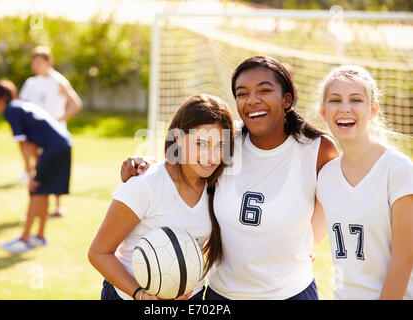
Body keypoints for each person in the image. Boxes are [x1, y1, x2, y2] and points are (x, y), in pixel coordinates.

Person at [121, 56, 339, 300]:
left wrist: (305, 243)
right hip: (223, 294)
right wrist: (145, 165)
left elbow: (334, 203)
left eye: (264, 90)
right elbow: (188, 157)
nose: (252, 100)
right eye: (242, 93)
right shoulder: (227, 140)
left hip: (291, 293)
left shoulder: (317, 149)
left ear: (287, 98)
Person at [88, 94, 235, 300]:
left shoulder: (219, 185)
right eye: (200, 143)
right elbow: (99, 253)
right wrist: (140, 294)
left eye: (219, 145)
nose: (210, 156)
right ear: (178, 138)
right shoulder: (145, 185)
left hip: (191, 296)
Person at [316, 65, 413, 300]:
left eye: (356, 100)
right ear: (323, 112)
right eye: (335, 100)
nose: (345, 108)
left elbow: (404, 260)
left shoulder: (398, 170)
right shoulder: (326, 175)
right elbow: (308, 236)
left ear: (373, 110)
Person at [0, 79, 72, 253]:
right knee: (43, 190)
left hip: (54, 148)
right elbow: (32, 141)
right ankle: (39, 237)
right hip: (62, 144)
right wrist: (35, 167)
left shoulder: (10, 110)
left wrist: (30, 172)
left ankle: (24, 240)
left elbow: (23, 143)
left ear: (0, 99)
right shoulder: (18, 106)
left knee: (35, 189)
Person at [18, 46, 83, 218]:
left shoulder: (58, 81)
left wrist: (57, 120)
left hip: (56, 136)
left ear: (49, 62)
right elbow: (22, 107)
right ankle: (36, 207)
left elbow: (76, 104)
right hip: (35, 136)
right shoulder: (30, 83)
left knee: (55, 169)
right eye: (34, 62)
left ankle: (58, 206)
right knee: (36, 169)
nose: (36, 66)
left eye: (40, 62)